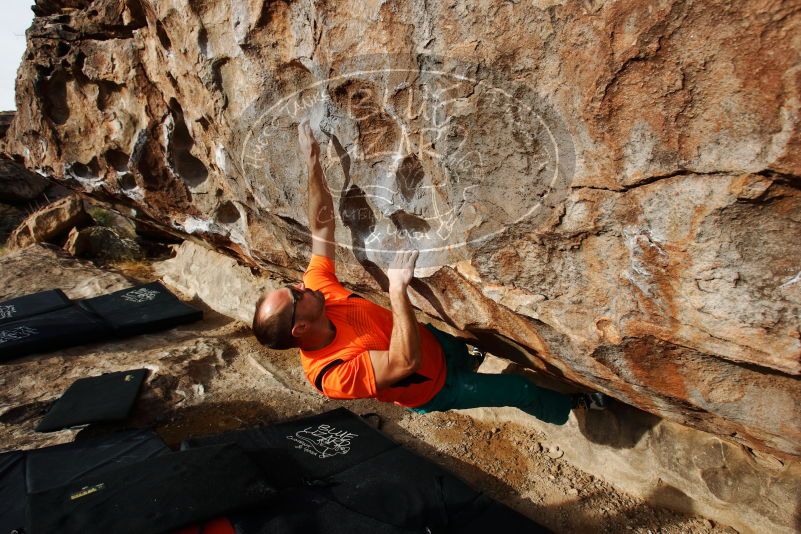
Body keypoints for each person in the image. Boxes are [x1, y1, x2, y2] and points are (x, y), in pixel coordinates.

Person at [252, 120, 606, 424]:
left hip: (434, 343)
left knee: (465, 352)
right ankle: (574, 405)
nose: (301, 284)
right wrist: (396, 291)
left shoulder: (318, 293)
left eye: (292, 285)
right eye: (295, 294)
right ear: (300, 327)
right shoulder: (334, 374)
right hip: (435, 388)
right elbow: (404, 362)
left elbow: (322, 229)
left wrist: (313, 162)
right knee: (520, 389)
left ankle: (468, 362)